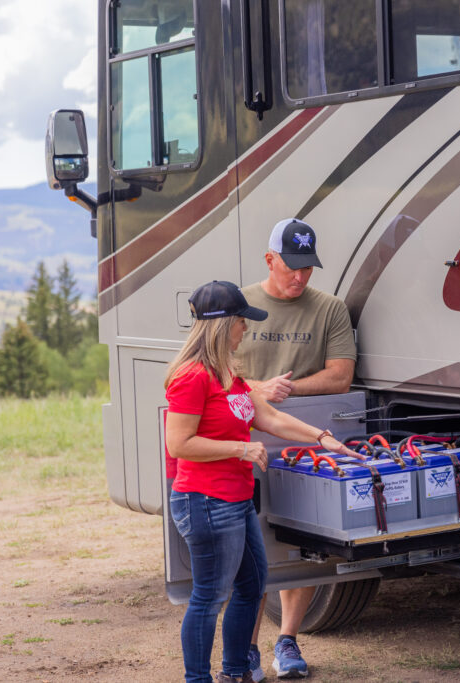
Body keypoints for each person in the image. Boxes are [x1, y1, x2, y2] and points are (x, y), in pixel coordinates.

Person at [165, 280, 359, 683]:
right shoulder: (192, 377)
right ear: (222, 325)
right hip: (204, 501)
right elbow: (179, 443)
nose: (245, 331)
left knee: (252, 587)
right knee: (208, 596)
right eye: (241, 323)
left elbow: (270, 418)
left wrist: (324, 439)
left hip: (235, 500)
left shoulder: (229, 376)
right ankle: (197, 679)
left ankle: (235, 672)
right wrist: (240, 449)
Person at [235, 218, 357, 680]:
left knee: (306, 542)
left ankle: (287, 640)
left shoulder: (330, 309)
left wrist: (289, 391)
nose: (301, 277)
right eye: (292, 267)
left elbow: (340, 376)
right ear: (270, 260)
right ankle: (246, 647)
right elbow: (212, 371)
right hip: (247, 439)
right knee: (254, 544)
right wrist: (258, 390)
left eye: (308, 268)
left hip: (307, 437)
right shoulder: (239, 305)